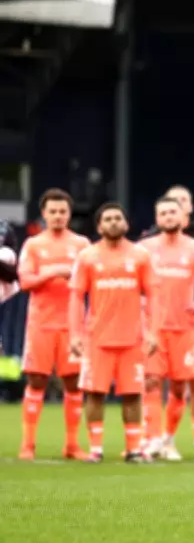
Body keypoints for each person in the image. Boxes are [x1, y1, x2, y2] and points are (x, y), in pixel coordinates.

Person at [68, 203, 159, 463]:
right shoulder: (87, 257)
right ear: (99, 227)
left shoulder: (141, 256)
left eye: (118, 218)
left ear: (126, 224)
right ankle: (96, 449)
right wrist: (75, 334)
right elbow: (76, 297)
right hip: (97, 339)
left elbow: (154, 295)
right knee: (95, 393)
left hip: (132, 339)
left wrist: (153, 332)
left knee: (133, 394)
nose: (113, 222)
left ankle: (133, 449)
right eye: (107, 219)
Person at [140, 185, 194, 456]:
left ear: (183, 215)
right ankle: (152, 439)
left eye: (172, 212)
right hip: (153, 330)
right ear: (157, 218)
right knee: (151, 382)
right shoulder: (144, 249)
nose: (168, 216)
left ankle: (186, 441)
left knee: (182, 385)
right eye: (163, 213)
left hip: (186, 329)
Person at [18, 189, 90, 460]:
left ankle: (71, 445)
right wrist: (53, 272)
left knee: (73, 383)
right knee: (37, 380)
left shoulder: (82, 245)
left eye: (62, 211)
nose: (58, 216)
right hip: (41, 323)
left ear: (69, 214)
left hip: (73, 325)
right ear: (44, 214)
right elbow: (25, 282)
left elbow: (92, 281)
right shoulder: (33, 245)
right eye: (53, 211)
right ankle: (28, 444)